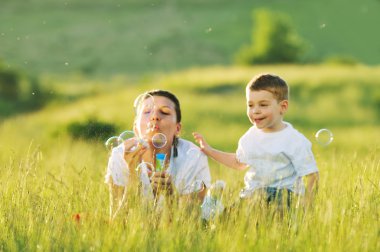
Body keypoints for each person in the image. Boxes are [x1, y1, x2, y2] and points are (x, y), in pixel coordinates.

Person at [193, 73, 319, 211]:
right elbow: (238, 162)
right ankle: (213, 206)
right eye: (250, 105)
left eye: (263, 105)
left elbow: (311, 175)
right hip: (253, 195)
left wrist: (307, 202)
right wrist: (209, 150)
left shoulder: (294, 140)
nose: (255, 111)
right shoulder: (250, 136)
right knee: (234, 216)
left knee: (268, 205)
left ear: (282, 107)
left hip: (284, 196)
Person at [105, 90, 211, 220]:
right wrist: (132, 180)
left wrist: (170, 196)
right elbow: (115, 224)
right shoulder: (120, 156)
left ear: (177, 129)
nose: (154, 116)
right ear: (135, 129)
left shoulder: (193, 156)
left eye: (165, 112)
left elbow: (190, 224)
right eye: (147, 112)